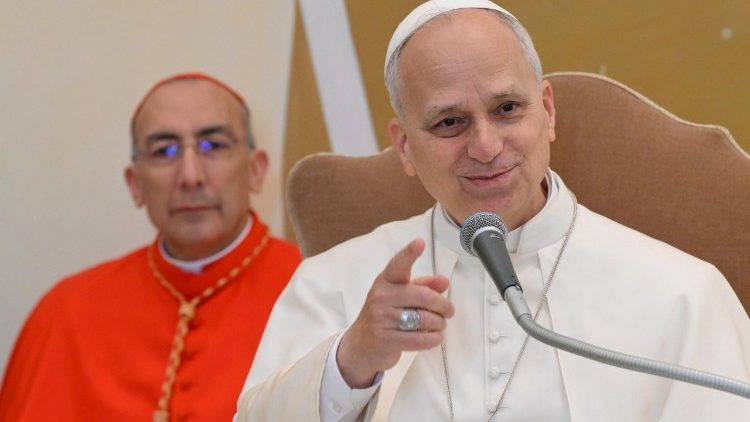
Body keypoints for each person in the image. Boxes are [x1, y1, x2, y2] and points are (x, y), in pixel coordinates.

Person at [235, 1, 750, 421]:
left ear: (547, 111)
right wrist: (353, 358)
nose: (484, 146)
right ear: (405, 147)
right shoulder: (335, 282)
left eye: (506, 109)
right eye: (449, 123)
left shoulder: (681, 295)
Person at [0, 72, 302, 422]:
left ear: (255, 171)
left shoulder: (316, 290)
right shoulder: (64, 313)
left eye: (213, 146)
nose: (190, 176)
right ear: (135, 184)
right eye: (164, 151)